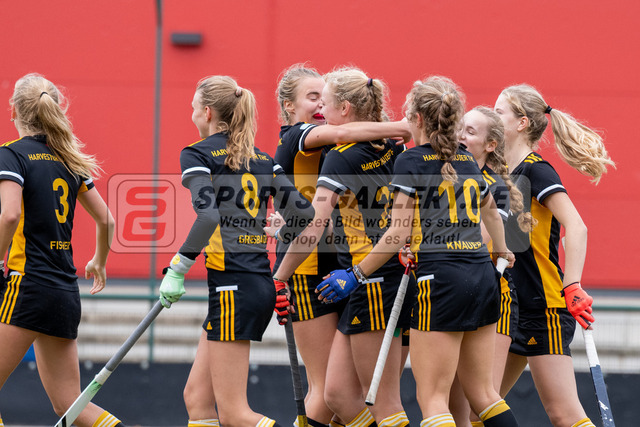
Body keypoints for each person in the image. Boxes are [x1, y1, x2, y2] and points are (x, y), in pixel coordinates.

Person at [317, 76, 520, 427]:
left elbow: (396, 233)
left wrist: (356, 273)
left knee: (433, 400)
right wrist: (502, 250)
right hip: (482, 275)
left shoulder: (410, 161)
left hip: (440, 282)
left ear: (418, 119)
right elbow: (489, 209)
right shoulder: (466, 159)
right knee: (484, 394)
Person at [157, 75, 314, 427]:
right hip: (255, 284)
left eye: (193, 107)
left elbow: (208, 216)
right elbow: (304, 214)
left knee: (234, 414)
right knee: (197, 400)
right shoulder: (262, 159)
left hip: (233, 286)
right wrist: (281, 232)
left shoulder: (197, 153)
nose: (192, 114)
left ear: (207, 112)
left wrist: (178, 268)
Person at [270, 63, 411, 427]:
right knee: (330, 393)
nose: (320, 104)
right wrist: (404, 128)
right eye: (311, 97)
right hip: (310, 271)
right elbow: (343, 131)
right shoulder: (298, 136)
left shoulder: (347, 148)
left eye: (324, 97)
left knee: (339, 395)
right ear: (288, 105)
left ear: (344, 104)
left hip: (348, 269)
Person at [0, 73, 121, 427]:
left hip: (27, 286)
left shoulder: (11, 154)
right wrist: (99, 261)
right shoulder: (68, 159)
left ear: (13, 111)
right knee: (71, 404)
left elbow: (10, 215)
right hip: (64, 291)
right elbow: (107, 220)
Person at [494, 84, 614, 427]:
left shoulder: (537, 170)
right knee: (478, 407)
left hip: (541, 305)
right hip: (508, 305)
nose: (491, 116)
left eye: (499, 111)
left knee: (563, 415)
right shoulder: (499, 171)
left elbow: (577, 228)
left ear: (521, 123)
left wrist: (572, 284)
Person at [449, 106, 532, 427]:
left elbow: (477, 240)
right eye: (459, 128)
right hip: (454, 292)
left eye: (470, 132)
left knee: (479, 403)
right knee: (454, 407)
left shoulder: (495, 186)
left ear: (490, 145)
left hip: (491, 295)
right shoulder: (447, 175)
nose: (460, 136)